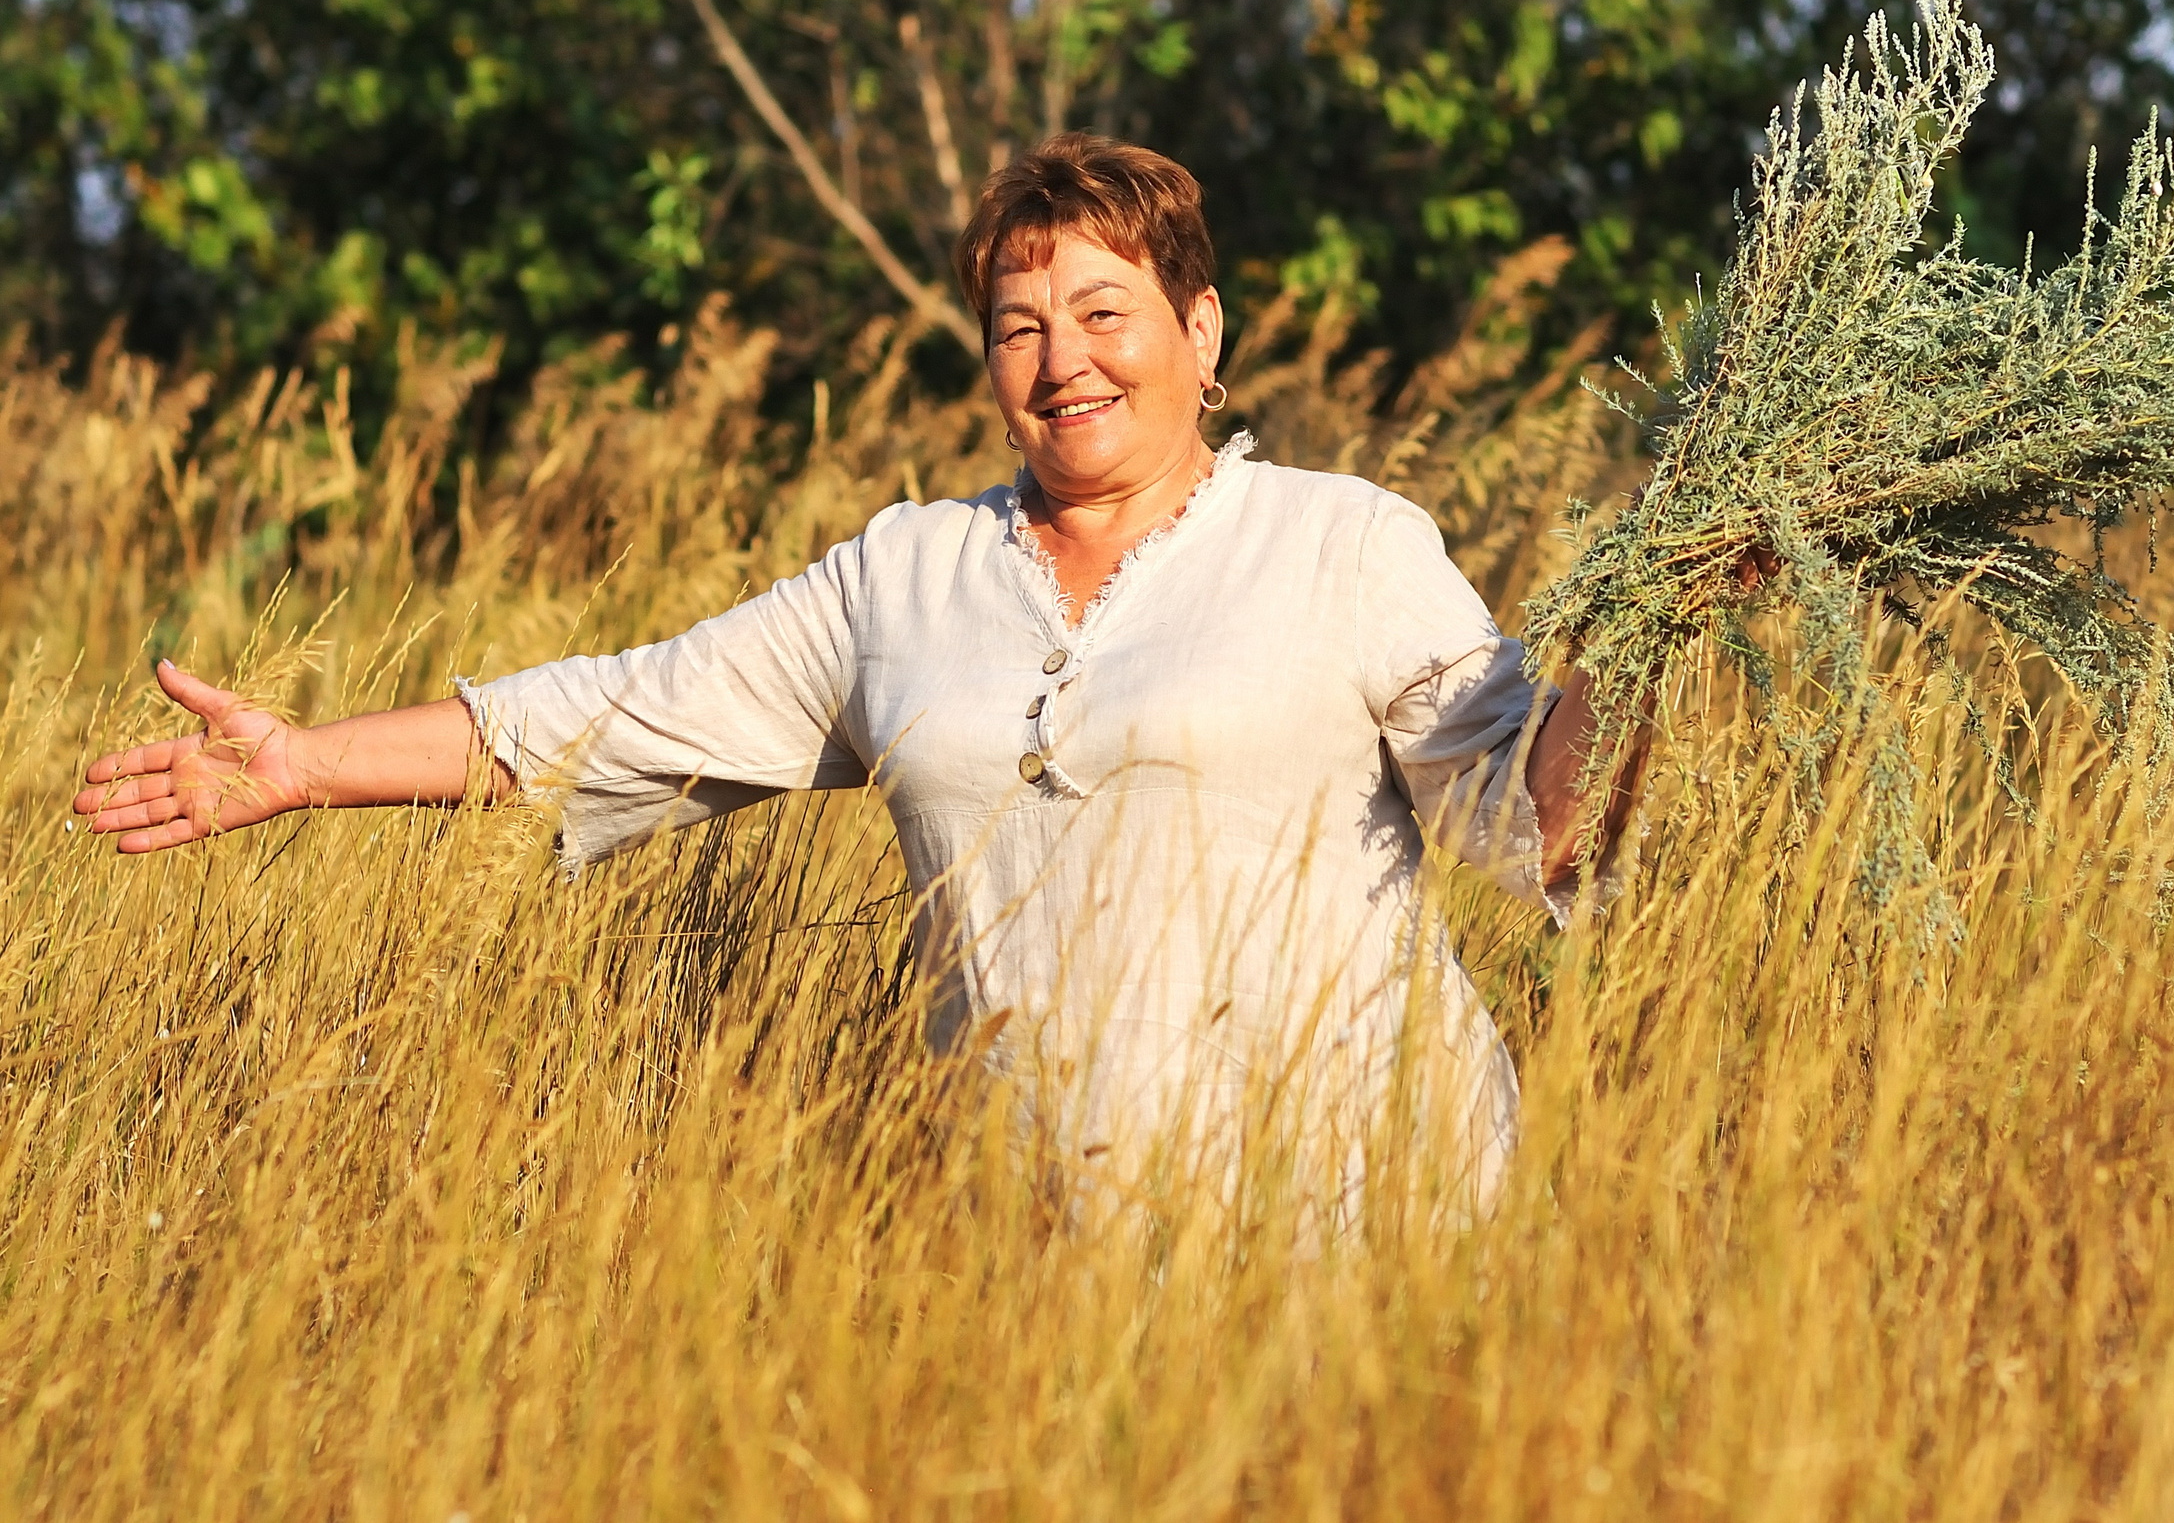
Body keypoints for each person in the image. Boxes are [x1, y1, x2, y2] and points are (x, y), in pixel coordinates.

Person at [73, 134, 1660, 1222]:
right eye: (1018, 326)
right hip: (1052, 1241)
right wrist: (304, 763)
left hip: (1372, 1216)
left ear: (1201, 327)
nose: (1064, 360)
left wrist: (1649, 624)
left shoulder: (1342, 541)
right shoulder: (904, 575)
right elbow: (613, 710)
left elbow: (1531, 820)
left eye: (1105, 312)